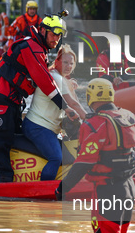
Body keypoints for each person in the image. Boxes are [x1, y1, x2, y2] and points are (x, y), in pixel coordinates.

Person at [55, 78, 135, 233]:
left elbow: (84, 163)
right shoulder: (129, 117)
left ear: (90, 97)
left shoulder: (95, 124)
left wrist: (61, 190)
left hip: (107, 191)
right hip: (129, 188)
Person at [0, 13, 67, 183]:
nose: (56, 40)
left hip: (14, 99)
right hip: (2, 97)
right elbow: (44, 81)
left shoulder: (39, 48)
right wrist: (64, 106)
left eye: (59, 37)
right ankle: (4, 180)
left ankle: (17, 175)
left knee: (15, 136)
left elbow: (44, 75)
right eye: (53, 35)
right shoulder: (31, 46)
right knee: (2, 139)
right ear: (43, 31)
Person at [22, 44, 87, 181]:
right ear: (57, 61)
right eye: (65, 62)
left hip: (47, 129)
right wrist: (92, 121)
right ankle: (45, 190)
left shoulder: (59, 78)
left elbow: (72, 106)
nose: (68, 66)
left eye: (71, 63)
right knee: (56, 158)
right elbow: (73, 104)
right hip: (37, 127)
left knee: (68, 153)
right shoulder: (56, 78)